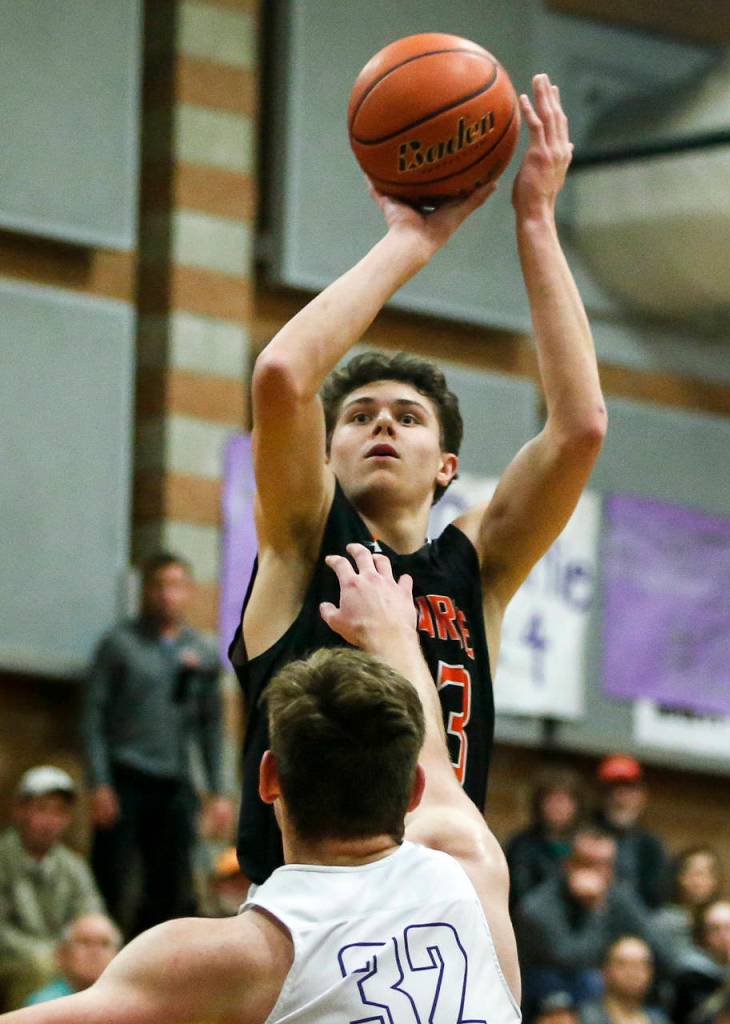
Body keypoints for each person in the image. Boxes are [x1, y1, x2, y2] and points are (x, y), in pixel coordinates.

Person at [231, 71, 607, 884]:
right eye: (359, 415)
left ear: (446, 467)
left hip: (438, 903)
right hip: (303, 904)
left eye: (407, 416)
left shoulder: (477, 571)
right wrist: (412, 241)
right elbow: (283, 374)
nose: (381, 426)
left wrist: (536, 220)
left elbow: (580, 429)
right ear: (325, 452)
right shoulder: (302, 543)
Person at [1, 543, 523, 1023]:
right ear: (413, 788)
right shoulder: (470, 867)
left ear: (269, 778)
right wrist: (393, 633)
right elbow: (432, 743)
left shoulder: (244, 954)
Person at [82, 551, 234, 936]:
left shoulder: (200, 654)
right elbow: (93, 718)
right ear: (146, 591)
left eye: (177, 586)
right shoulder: (119, 645)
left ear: (189, 592)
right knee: (114, 879)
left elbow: (211, 728)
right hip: (124, 777)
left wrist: (218, 792)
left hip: (174, 782)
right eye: (161, 586)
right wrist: (99, 782)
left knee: (170, 885)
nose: (168, 595)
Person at [515, 826, 666, 1016]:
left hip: (604, 993)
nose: (598, 872)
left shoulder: (619, 895)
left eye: (606, 864)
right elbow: (570, 958)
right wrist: (595, 909)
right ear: (568, 864)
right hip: (545, 997)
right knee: (591, 980)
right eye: (588, 863)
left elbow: (654, 942)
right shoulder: (537, 906)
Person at [0, 767, 104, 1010]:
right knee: (40, 965)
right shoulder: (4, 859)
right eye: (42, 809)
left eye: (59, 812)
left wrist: (85, 948)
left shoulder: (73, 866)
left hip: (61, 954)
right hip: (14, 958)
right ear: (21, 811)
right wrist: (53, 951)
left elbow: (92, 915)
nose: (49, 821)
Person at [594, 754, 668, 910]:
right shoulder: (583, 835)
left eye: (629, 789)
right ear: (602, 794)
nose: (620, 797)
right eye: (613, 789)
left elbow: (655, 900)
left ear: (641, 795)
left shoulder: (651, 845)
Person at [506, 766, 584, 909]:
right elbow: (521, 896)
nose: (557, 808)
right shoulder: (522, 846)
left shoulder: (586, 844)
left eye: (563, 801)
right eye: (551, 801)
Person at [672, 901, 730, 1024]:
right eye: (715, 929)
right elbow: (699, 1018)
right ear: (704, 937)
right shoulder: (692, 977)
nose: (725, 935)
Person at [23, 914, 122, 1005]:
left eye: (105, 944)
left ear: (118, 954)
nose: (95, 951)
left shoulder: (126, 1002)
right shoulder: (43, 1005)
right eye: (85, 942)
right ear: (62, 954)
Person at [654, 846, 724, 970]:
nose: (699, 881)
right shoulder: (664, 921)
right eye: (695, 873)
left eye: (707, 874)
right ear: (679, 877)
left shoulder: (720, 918)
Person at [580, 936, 670, 1024]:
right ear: (605, 971)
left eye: (641, 965)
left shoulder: (659, 1020)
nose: (633, 972)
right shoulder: (583, 1018)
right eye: (622, 964)